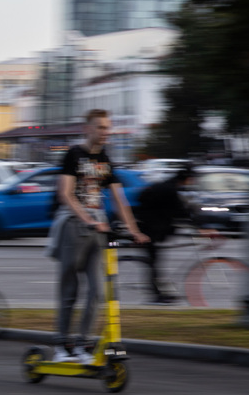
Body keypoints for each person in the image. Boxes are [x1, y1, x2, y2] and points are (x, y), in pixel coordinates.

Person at [46, 109, 149, 363]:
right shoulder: (74, 154)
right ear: (88, 128)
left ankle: (82, 345)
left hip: (98, 229)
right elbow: (66, 194)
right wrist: (88, 220)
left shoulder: (104, 159)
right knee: (70, 289)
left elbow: (119, 198)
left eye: (108, 127)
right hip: (74, 226)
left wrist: (134, 230)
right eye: (101, 127)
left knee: (97, 291)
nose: (106, 132)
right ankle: (61, 345)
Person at [133, 167, 213, 304]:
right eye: (192, 179)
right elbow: (182, 212)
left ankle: (161, 292)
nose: (192, 182)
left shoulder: (164, 185)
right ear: (187, 179)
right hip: (151, 230)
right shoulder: (171, 190)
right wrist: (199, 229)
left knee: (155, 262)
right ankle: (157, 295)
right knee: (154, 263)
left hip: (148, 226)